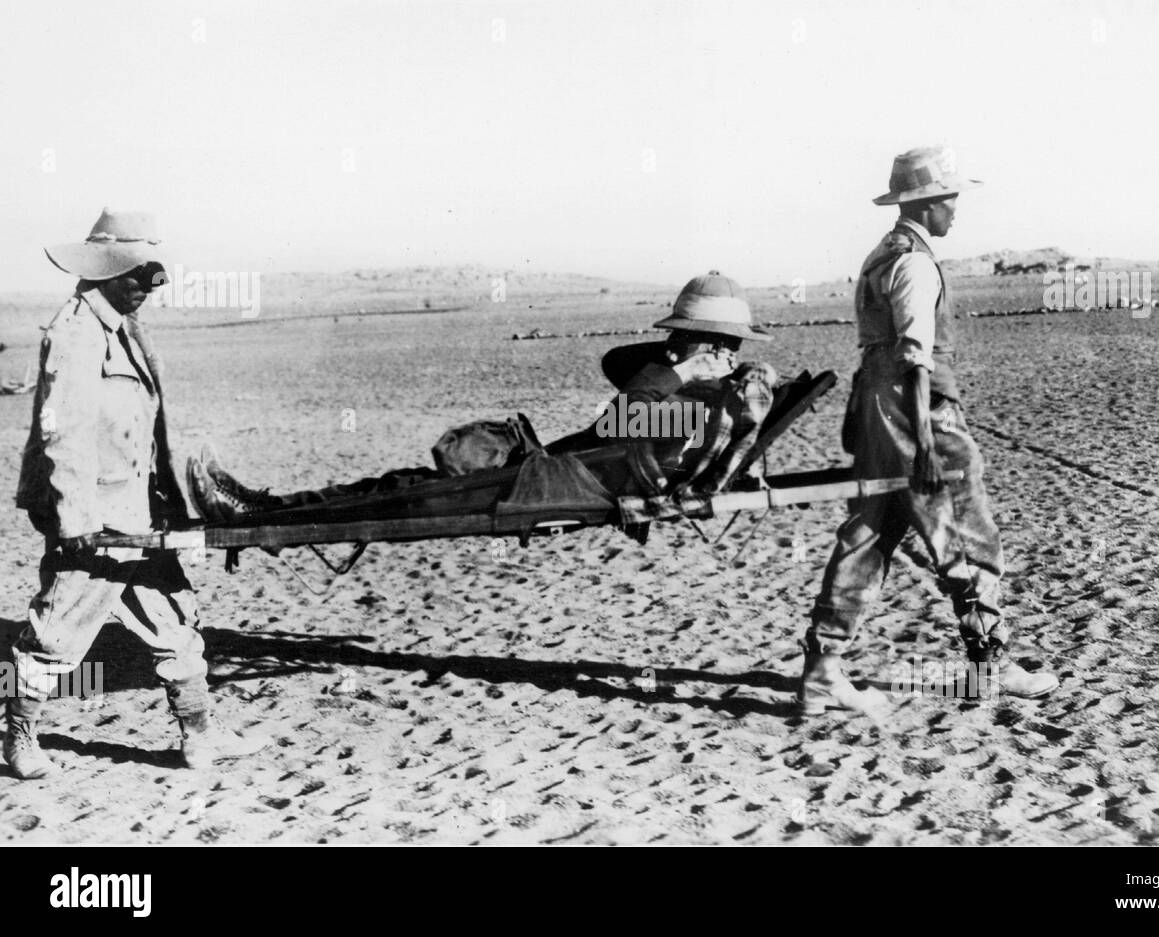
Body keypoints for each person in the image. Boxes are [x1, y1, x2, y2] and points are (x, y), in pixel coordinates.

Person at [6, 209, 268, 779]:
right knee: (56, 629)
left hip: (135, 510)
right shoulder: (75, 333)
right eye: (140, 275)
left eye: (154, 274)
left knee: (174, 618)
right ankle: (20, 736)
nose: (152, 287)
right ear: (106, 271)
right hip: (93, 516)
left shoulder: (122, 329)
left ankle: (200, 736)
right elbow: (62, 431)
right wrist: (74, 518)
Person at [799, 146, 1060, 718]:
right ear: (925, 202)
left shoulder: (880, 254)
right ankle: (989, 666)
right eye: (949, 199)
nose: (955, 211)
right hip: (915, 411)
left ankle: (821, 674)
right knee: (968, 535)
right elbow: (915, 358)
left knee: (869, 536)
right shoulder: (915, 262)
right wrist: (922, 443)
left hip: (874, 408)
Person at [187, 271, 777, 519]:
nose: (725, 358)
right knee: (398, 485)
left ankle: (259, 513)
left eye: (714, 348)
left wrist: (681, 369)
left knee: (401, 493)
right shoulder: (695, 395)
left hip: (545, 484)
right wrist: (683, 366)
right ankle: (265, 506)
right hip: (549, 471)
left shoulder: (685, 408)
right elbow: (619, 375)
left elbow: (626, 417)